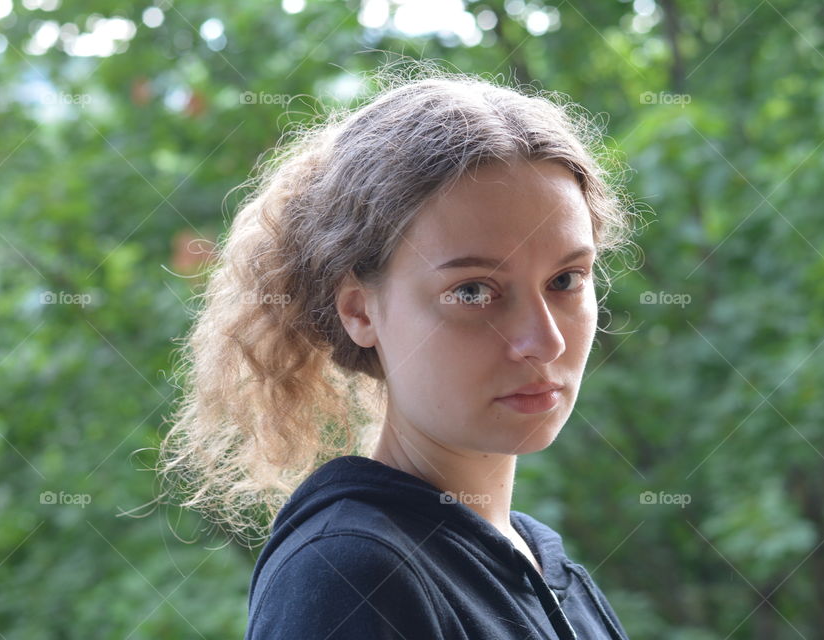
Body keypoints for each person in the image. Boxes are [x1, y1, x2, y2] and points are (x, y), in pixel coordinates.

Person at [158, 61, 638, 639]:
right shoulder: (352, 575)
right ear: (359, 310)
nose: (544, 340)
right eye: (473, 291)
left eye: (566, 280)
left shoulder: (542, 565)